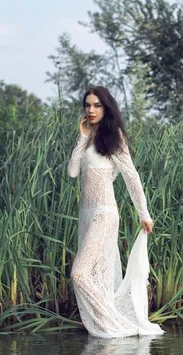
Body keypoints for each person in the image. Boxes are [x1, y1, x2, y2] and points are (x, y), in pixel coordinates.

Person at [67, 86, 164, 338]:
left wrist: (144, 213)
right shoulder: (87, 138)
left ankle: (114, 326)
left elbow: (132, 177)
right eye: (87, 105)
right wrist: (81, 137)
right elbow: (72, 172)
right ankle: (108, 327)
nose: (91, 110)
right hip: (87, 216)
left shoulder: (115, 137)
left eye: (97, 105)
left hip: (104, 213)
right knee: (97, 277)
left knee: (79, 273)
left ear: (106, 108)